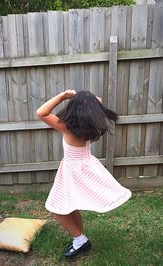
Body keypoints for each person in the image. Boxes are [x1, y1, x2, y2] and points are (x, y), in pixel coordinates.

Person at [36, 90, 132, 258]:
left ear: (73, 107)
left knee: (56, 208)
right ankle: (79, 238)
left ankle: (80, 240)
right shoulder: (91, 126)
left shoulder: (66, 126)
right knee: (70, 206)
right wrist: (87, 98)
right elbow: (98, 100)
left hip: (73, 171)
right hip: (85, 168)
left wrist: (63, 96)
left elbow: (41, 112)